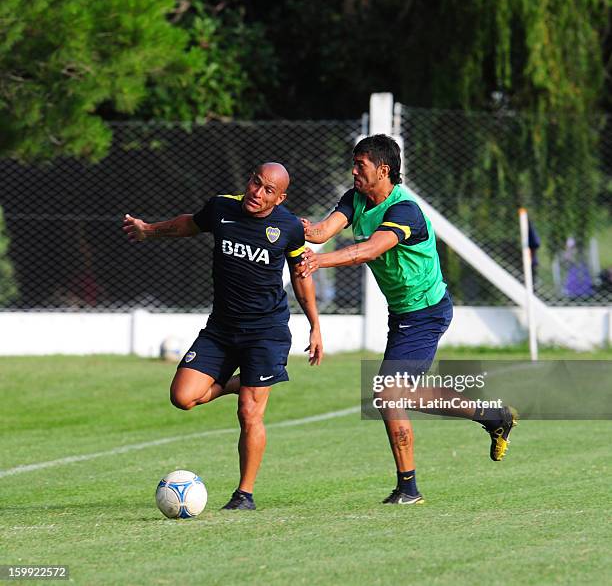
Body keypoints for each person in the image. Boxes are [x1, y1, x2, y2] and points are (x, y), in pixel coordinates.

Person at [298, 135, 516, 505]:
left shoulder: (405, 211)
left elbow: (369, 249)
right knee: (395, 393)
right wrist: (278, 220)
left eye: (360, 165)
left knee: (389, 393)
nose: (353, 171)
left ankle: (409, 488)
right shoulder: (355, 200)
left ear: (383, 170)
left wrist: (319, 260)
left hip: (426, 313)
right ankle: (491, 416)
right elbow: (318, 232)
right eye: (353, 163)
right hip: (402, 314)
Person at [123, 162, 323, 510]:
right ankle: (245, 381)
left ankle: (244, 494)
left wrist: (315, 325)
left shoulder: (289, 228)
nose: (257, 194)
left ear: (281, 198)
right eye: (255, 183)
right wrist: (149, 230)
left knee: (249, 412)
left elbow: (301, 274)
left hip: (266, 331)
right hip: (222, 328)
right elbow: (189, 224)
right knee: (183, 397)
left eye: (267, 191)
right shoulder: (222, 207)